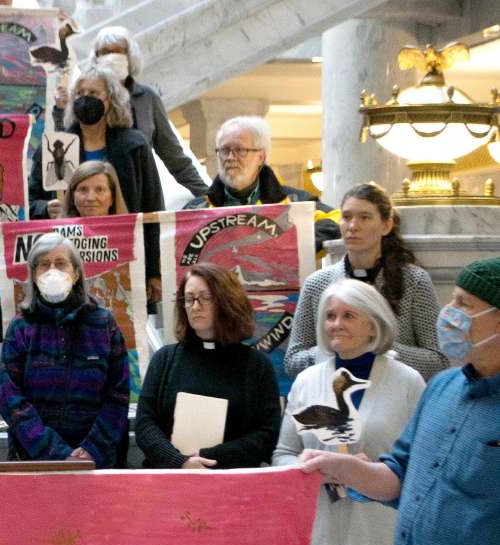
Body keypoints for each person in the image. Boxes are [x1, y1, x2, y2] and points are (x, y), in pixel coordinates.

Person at [299, 257, 500, 545]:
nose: (450, 313)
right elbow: (398, 475)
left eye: (464, 305)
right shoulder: (444, 388)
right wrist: (344, 468)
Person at [272, 279, 426, 545]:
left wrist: (366, 472)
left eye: (348, 315)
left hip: (380, 540)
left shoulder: (407, 381)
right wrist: (306, 467)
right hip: (324, 540)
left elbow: (422, 461)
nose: (336, 324)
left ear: (374, 323)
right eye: (330, 316)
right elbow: (283, 452)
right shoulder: (308, 382)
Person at [28, 64, 163, 302]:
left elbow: (153, 209)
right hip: (66, 266)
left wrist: (154, 271)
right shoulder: (54, 146)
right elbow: (29, 201)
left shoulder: (135, 146)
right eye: (79, 94)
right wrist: (44, 209)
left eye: (93, 93)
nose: (84, 99)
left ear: (110, 100)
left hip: (123, 259)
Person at [286, 183, 445, 380]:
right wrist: (332, 349)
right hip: (333, 398)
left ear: (386, 225)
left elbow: (439, 361)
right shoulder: (317, 283)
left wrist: (378, 346)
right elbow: (292, 361)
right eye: (346, 217)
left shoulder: (414, 280)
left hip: (393, 395)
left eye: (365, 217)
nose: (353, 226)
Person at [0, 232, 129, 464]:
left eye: (60, 264)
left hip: (95, 459)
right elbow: (11, 397)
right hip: (35, 459)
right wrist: (57, 453)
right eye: (43, 265)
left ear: (76, 273)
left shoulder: (103, 323)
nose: (52, 271)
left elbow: (118, 393)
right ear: (34, 275)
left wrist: (92, 449)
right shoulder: (20, 327)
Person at [135, 262, 281, 469]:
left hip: (234, 483)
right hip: (169, 480)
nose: (195, 306)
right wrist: (180, 462)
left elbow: (268, 433)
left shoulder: (256, 365)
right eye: (189, 299)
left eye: (206, 298)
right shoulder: (164, 359)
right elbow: (145, 424)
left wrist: (210, 458)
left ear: (227, 301)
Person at [185, 116, 340, 251]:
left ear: (261, 156)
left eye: (240, 150)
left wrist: (294, 243)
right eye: (224, 150)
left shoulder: (296, 201)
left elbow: (340, 219)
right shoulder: (195, 210)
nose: (230, 157)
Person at [90, 26, 208, 198]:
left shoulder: (147, 98)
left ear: (130, 56)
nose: (112, 57)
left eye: (118, 51)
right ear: (97, 57)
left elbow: (174, 157)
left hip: (142, 193)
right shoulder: (86, 96)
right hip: (96, 195)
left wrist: (211, 198)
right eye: (105, 52)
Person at [59, 160, 129, 218]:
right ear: (72, 196)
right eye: (83, 189)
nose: (90, 198)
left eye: (100, 190)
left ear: (112, 197)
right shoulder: (55, 233)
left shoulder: (132, 232)